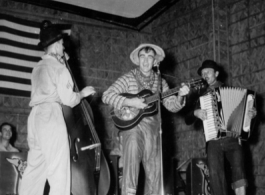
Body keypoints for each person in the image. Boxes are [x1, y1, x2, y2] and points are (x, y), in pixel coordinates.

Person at [19, 20, 96, 195]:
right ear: (54, 46)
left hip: (35, 117)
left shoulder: (37, 67)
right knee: (58, 170)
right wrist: (82, 93)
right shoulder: (60, 69)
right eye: (61, 45)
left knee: (35, 167)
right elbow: (69, 100)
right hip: (51, 115)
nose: (63, 48)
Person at [102, 43, 190, 195]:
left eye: (150, 57)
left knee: (154, 174)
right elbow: (106, 96)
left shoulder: (161, 82)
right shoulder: (129, 78)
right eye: (142, 56)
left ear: (155, 61)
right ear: (137, 59)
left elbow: (171, 105)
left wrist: (181, 95)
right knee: (131, 171)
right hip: (132, 128)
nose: (145, 61)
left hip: (153, 131)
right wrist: (131, 102)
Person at [185, 59, 257, 195]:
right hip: (213, 141)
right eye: (203, 73)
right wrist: (196, 112)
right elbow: (187, 119)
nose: (205, 75)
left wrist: (251, 115)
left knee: (239, 173)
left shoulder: (232, 91)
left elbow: (245, 121)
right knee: (215, 177)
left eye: (208, 72)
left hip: (233, 139)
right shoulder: (202, 96)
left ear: (216, 73)